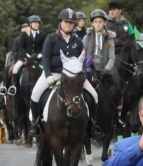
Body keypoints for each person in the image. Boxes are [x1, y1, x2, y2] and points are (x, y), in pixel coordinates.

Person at [28, 8, 103, 140]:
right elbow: (45, 58)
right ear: (60, 22)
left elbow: (84, 60)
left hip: (74, 77)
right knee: (35, 94)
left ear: (74, 24)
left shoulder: (78, 41)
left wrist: (83, 74)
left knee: (95, 95)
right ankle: (35, 123)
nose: (68, 24)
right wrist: (48, 75)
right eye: (66, 22)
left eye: (71, 22)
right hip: (55, 73)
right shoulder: (51, 38)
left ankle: (92, 124)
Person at [2, 16, 44, 95]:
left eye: (38, 23)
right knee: (15, 68)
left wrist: (39, 55)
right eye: (35, 23)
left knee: (47, 68)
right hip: (25, 58)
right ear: (30, 24)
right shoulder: (24, 35)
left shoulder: (42, 35)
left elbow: (44, 47)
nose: (36, 25)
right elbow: (21, 47)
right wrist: (26, 55)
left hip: (38, 59)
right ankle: (13, 86)